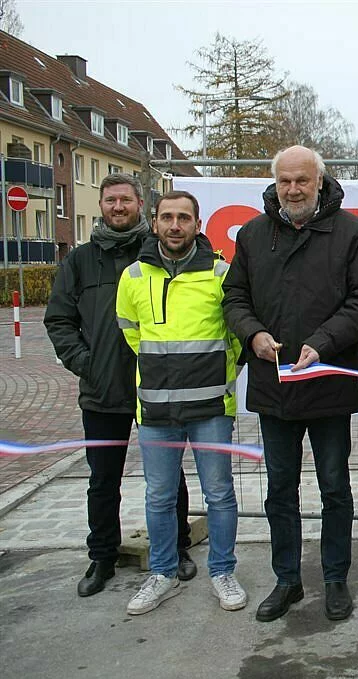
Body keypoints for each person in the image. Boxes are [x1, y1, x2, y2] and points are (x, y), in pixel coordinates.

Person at [222, 145, 358, 622]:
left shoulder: (350, 232)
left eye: (302, 181)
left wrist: (322, 341)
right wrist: (252, 334)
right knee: (280, 489)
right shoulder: (252, 234)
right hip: (274, 389)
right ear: (274, 184)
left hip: (328, 384)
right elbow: (233, 296)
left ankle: (335, 578)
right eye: (285, 181)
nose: (293, 189)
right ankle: (287, 580)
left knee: (334, 487)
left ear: (320, 182)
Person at [44, 173, 195, 598]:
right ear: (102, 205)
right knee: (102, 479)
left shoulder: (161, 253)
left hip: (156, 388)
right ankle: (101, 557)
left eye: (125, 200)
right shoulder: (80, 260)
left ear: (139, 205)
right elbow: (58, 320)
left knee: (168, 478)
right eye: (110, 200)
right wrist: (86, 365)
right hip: (102, 391)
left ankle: (178, 547)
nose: (117, 207)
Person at [116, 191, 245, 615]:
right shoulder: (133, 277)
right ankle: (162, 574)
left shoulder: (222, 274)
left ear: (197, 223)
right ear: (154, 222)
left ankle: (222, 572)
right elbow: (131, 333)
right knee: (158, 497)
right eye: (167, 217)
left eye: (183, 218)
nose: (175, 225)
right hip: (155, 411)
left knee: (220, 495)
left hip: (211, 408)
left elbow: (237, 337)